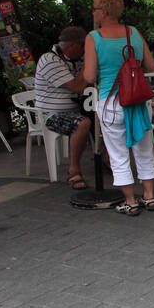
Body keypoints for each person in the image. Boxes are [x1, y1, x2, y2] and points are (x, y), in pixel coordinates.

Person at [83, 0, 154, 215]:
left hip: (111, 102)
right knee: (143, 149)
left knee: (118, 154)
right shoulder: (132, 32)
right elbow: (151, 66)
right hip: (136, 100)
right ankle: (149, 196)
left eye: (95, 8)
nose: (93, 12)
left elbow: (88, 76)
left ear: (104, 12)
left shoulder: (93, 38)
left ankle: (130, 201)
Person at [34, 25, 92, 189]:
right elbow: (77, 86)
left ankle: (106, 159)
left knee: (108, 117)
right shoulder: (50, 60)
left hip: (76, 109)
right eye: (83, 47)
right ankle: (74, 170)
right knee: (83, 123)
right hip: (51, 114)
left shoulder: (75, 60)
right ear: (74, 45)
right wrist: (89, 63)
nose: (84, 51)